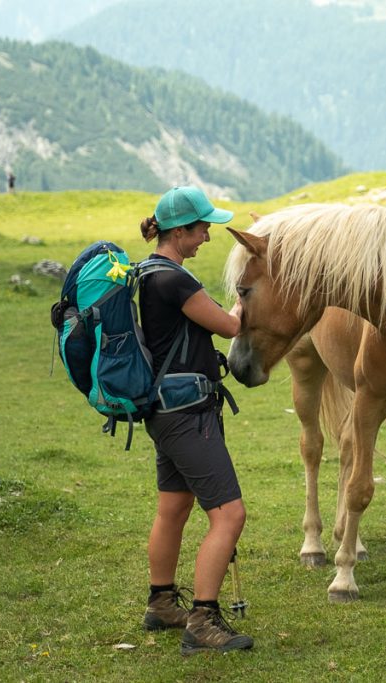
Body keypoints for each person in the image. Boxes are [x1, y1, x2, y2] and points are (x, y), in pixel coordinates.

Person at [137, 185, 251, 655]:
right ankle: (202, 622)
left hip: (164, 411)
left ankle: (162, 603)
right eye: (201, 227)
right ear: (179, 231)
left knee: (174, 508)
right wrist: (245, 298)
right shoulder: (176, 281)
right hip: (188, 415)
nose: (206, 234)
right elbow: (231, 326)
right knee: (229, 514)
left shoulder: (145, 273)